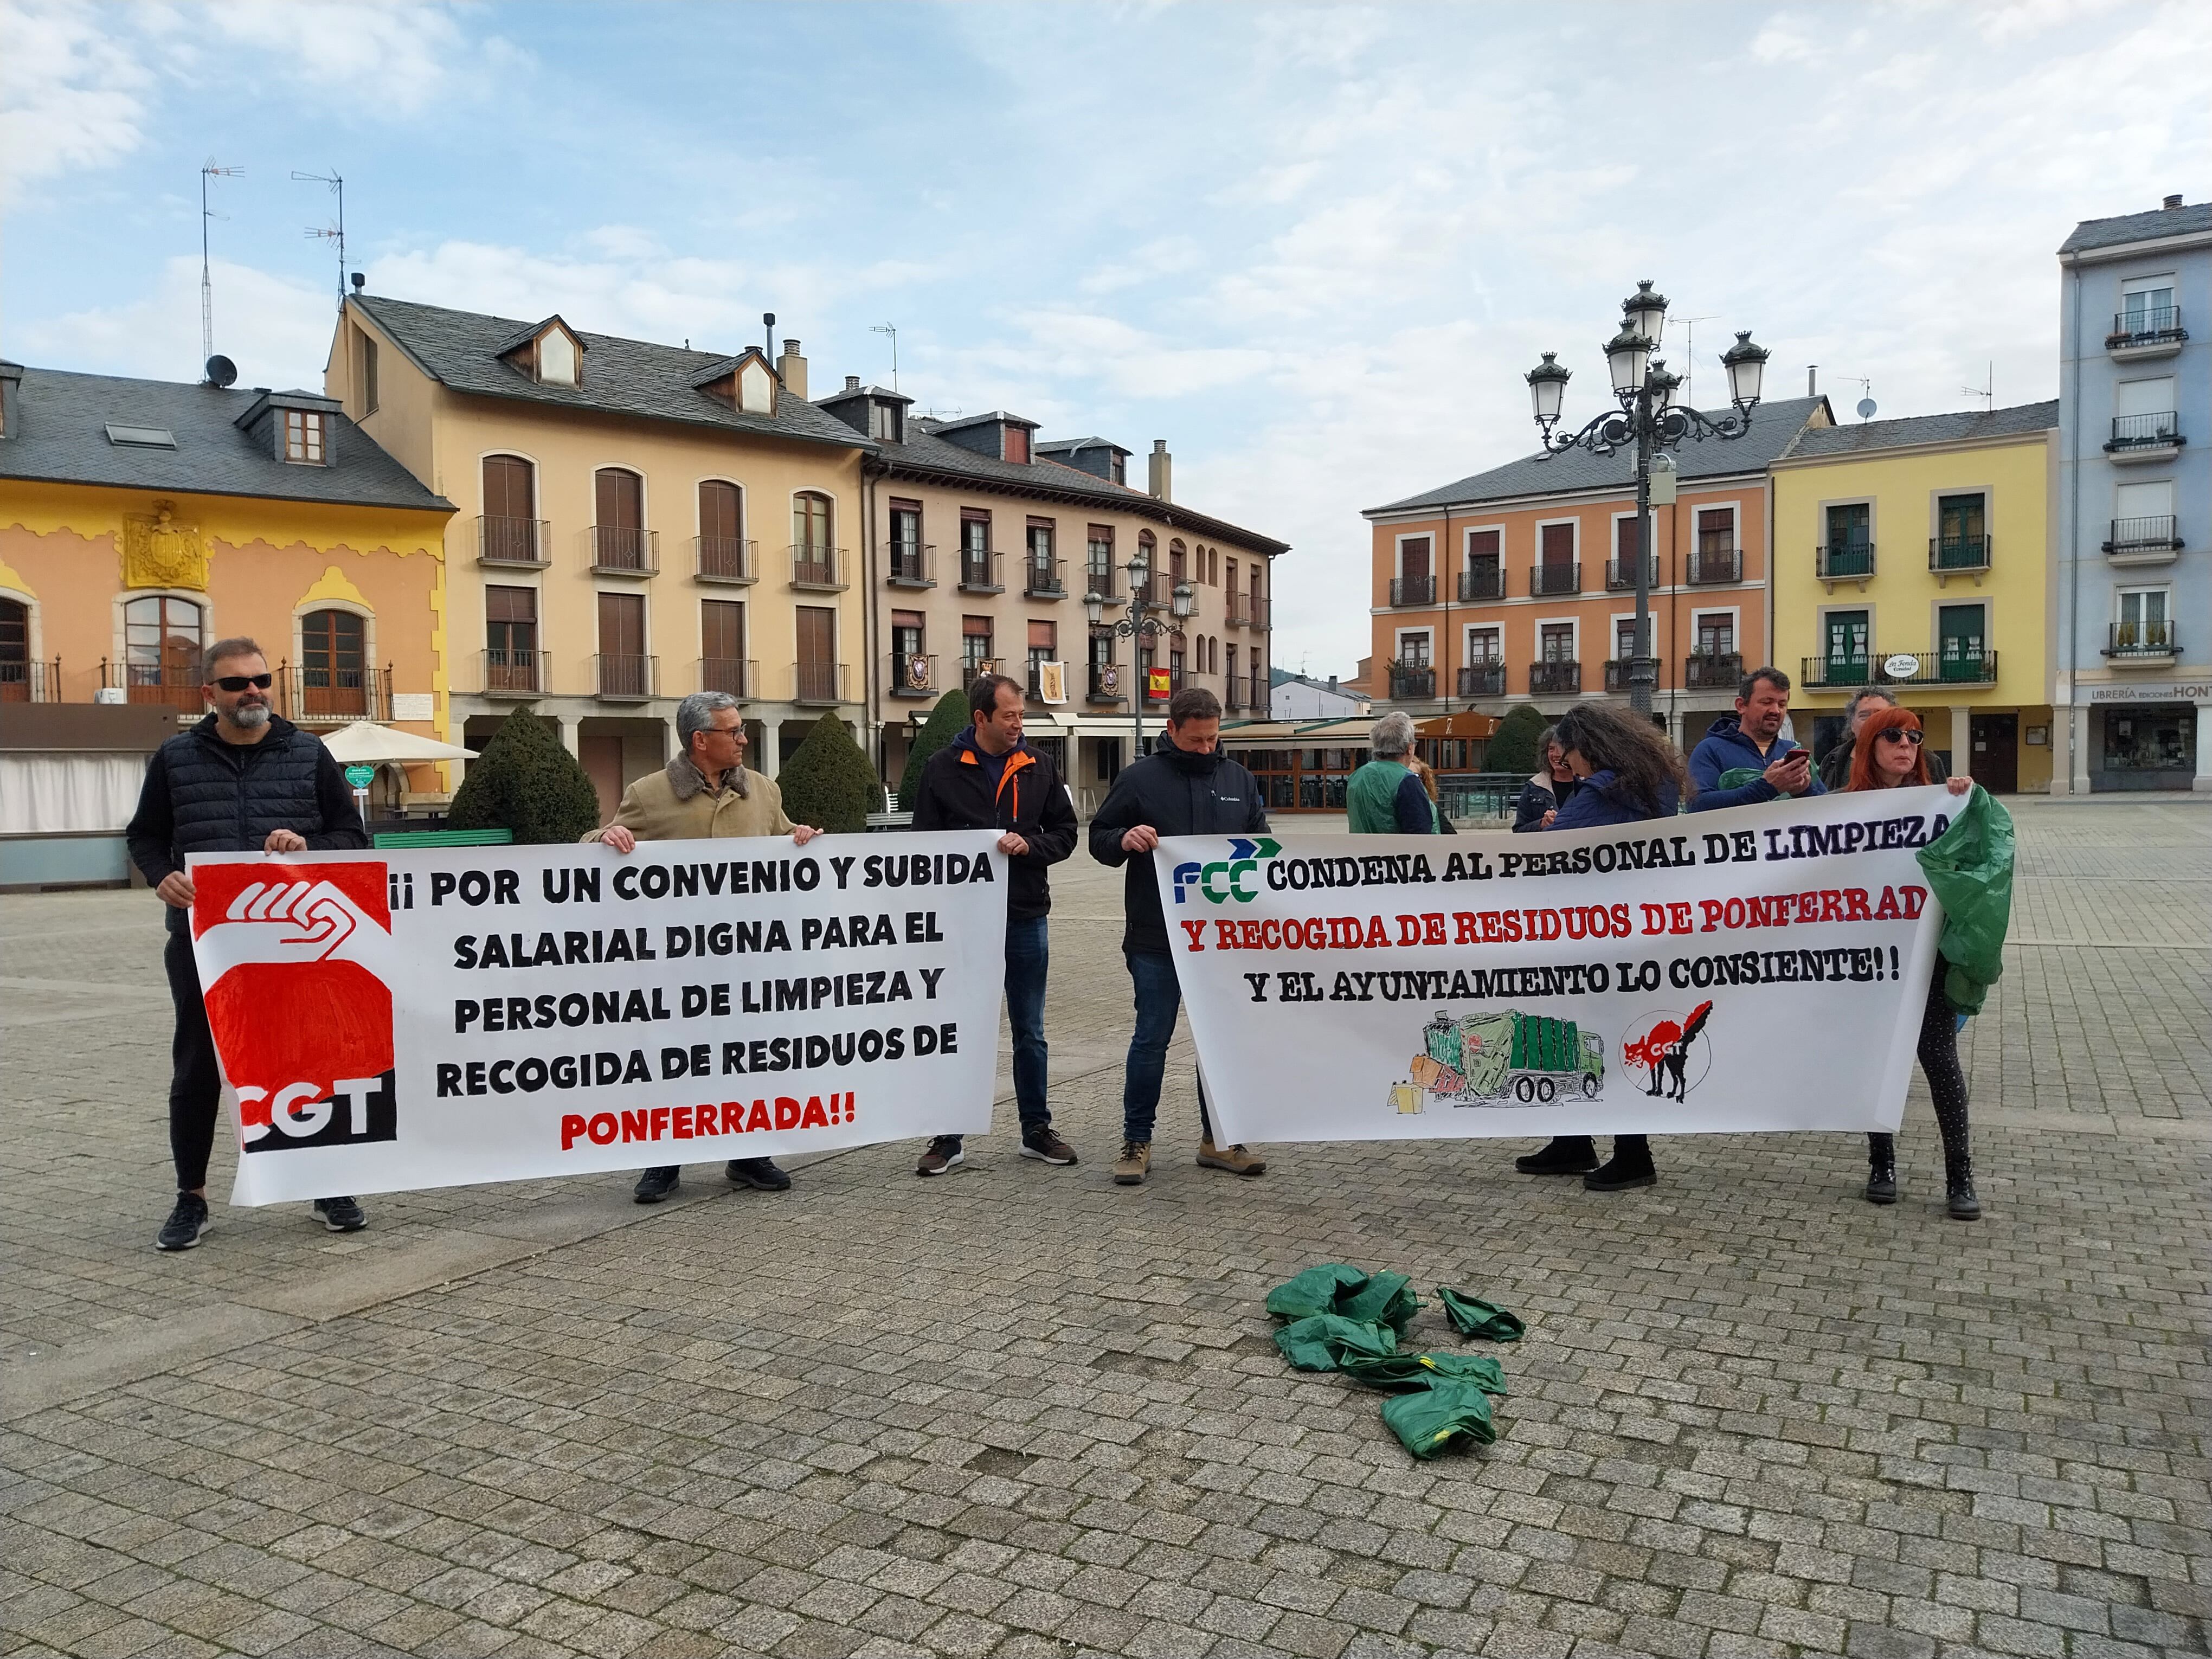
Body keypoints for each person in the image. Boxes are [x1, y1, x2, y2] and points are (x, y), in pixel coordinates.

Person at [126, 637, 371, 1251]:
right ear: (209, 694)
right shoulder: (176, 757)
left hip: (297, 941)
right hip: (205, 944)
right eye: (236, 684)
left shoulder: (309, 753)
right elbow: (145, 836)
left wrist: (310, 847)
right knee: (199, 1066)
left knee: (308, 1061)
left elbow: (353, 837)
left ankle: (325, 1183)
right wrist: (162, 876)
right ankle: (192, 1198)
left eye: (261, 679)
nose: (253, 691)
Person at [590, 691, 821, 1203]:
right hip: (677, 962)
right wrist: (606, 840)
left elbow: (783, 840)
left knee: (748, 1056)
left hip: (749, 958)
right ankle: (662, 1161)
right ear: (701, 740)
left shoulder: (762, 789)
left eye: (741, 730)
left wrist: (801, 835)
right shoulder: (650, 794)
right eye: (733, 731)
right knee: (672, 1059)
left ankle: (748, 1156)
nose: (743, 739)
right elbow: (593, 847)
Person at [1088, 686, 1270, 1185]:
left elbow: (1264, 847)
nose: (1206, 749)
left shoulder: (1239, 779)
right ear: (1171, 730)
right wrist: (1123, 840)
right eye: (1195, 741)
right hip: (1156, 939)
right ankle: (1136, 1140)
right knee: (1151, 1040)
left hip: (1222, 942)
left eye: (1212, 739)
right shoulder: (1139, 780)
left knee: (1220, 1043)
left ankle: (1219, 1138)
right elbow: (1099, 838)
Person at [909, 672, 1080, 1175]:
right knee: (960, 1028)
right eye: (1010, 716)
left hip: (1026, 917)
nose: (1018, 725)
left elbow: (1067, 835)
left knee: (1030, 1029)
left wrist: (1031, 847)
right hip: (962, 924)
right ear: (981, 718)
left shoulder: (1039, 766)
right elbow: (923, 848)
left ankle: (1035, 1130)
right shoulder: (942, 768)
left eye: (1021, 715)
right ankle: (949, 1137)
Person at [1511, 702, 1687, 1192]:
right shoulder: (1653, 783)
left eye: (1569, 758)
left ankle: (1632, 1153)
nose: (1568, 768)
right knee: (1594, 1033)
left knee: (1591, 1036)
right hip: (1629, 928)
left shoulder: (1604, 792)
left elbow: (1552, 852)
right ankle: (1578, 1141)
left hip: (1594, 935)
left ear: (1588, 747)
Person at [1844, 706, 1979, 1218]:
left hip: (1929, 951)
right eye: (1894, 735)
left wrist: (1966, 802)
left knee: (1939, 1057)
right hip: (1871, 956)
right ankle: (1881, 1162)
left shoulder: (1941, 803)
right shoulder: (1844, 809)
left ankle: (1960, 1172)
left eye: (1915, 737)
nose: (1907, 745)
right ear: (1871, 745)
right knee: (1880, 1058)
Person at [1688, 666, 1824, 812]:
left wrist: (1804, 791)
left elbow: (1828, 808)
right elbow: (1697, 805)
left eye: (1782, 704)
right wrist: (1766, 788)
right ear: (1741, 706)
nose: (1775, 710)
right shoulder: (1710, 750)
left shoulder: (1794, 752)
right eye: (1767, 702)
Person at [1817, 686, 1950, 791]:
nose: (1905, 743)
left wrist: (1958, 791)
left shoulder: (1929, 761)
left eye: (1913, 736)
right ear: (1852, 724)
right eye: (1865, 716)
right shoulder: (1833, 760)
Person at [1347, 711, 1436, 833]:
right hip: (1394, 851)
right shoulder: (1407, 780)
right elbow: (1420, 832)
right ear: (1410, 748)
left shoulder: (1357, 777)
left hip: (1359, 850)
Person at [1512, 725, 1580, 832]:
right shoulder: (1533, 788)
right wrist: (1541, 824)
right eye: (1551, 749)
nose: (1556, 755)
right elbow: (1518, 831)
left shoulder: (1590, 784)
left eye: (1561, 748)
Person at [1406, 755, 1456, 833]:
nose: (1409, 781)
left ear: (1423, 780)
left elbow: (1451, 837)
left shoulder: (1433, 810)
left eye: (1414, 776)